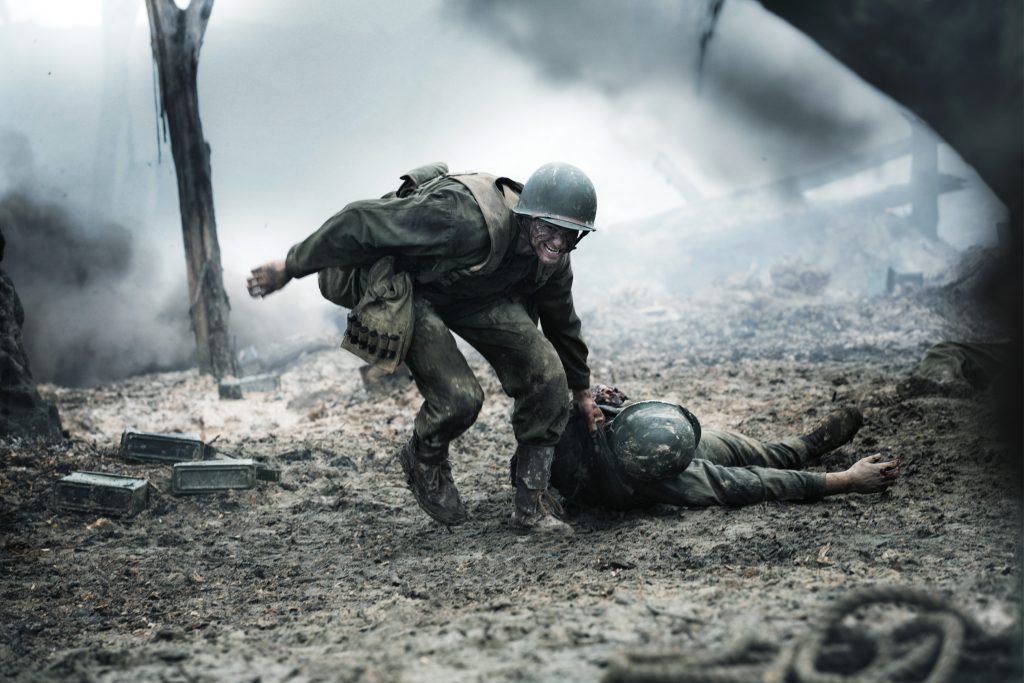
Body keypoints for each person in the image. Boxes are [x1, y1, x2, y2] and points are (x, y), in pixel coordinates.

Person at [247, 162, 604, 535]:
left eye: (571, 233)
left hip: (468, 291)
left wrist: (581, 390)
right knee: (460, 398)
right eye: (549, 228)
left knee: (547, 375)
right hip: (406, 283)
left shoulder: (553, 260)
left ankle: (531, 505)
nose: (559, 241)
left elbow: (562, 319)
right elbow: (360, 221)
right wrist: (289, 266)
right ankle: (425, 456)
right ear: (527, 216)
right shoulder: (459, 219)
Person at [550, 385, 899, 510]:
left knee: (757, 450)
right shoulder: (675, 481)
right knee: (762, 464)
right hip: (660, 469)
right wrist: (849, 480)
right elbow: (759, 483)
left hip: (666, 440)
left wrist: (593, 394)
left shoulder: (590, 420)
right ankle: (803, 448)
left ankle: (806, 445)